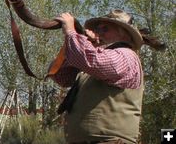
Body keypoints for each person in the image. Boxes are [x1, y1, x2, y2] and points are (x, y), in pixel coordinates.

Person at [51, 9, 145, 144]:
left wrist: (71, 33)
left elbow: (94, 61)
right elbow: (60, 76)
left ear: (124, 34)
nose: (98, 33)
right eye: (98, 29)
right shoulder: (93, 62)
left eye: (105, 29)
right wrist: (83, 42)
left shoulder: (126, 55)